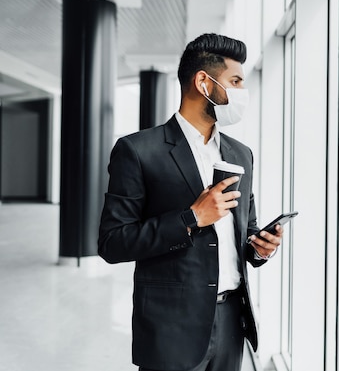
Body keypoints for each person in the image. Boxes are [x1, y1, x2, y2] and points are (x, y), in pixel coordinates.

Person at [98, 33, 282, 371]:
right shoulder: (138, 151)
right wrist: (191, 218)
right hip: (171, 326)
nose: (243, 92)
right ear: (203, 82)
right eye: (236, 81)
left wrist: (260, 247)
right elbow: (112, 243)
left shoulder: (241, 153)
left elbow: (245, 229)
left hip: (231, 321)